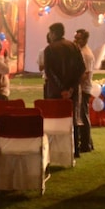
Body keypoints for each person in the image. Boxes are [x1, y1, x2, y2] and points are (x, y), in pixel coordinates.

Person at [43, 22, 86, 157]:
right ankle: (75, 149)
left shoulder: (49, 49)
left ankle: (56, 150)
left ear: (53, 33)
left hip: (56, 92)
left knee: (55, 120)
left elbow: (49, 72)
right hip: (73, 91)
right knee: (73, 119)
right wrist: (71, 88)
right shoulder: (74, 47)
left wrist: (62, 89)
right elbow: (81, 68)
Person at [73, 28, 95, 154]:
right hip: (81, 88)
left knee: (83, 116)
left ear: (85, 39)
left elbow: (85, 74)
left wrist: (73, 82)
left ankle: (86, 144)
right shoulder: (80, 51)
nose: (75, 40)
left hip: (84, 89)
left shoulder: (86, 54)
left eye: (78, 38)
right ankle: (88, 142)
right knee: (81, 115)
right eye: (75, 38)